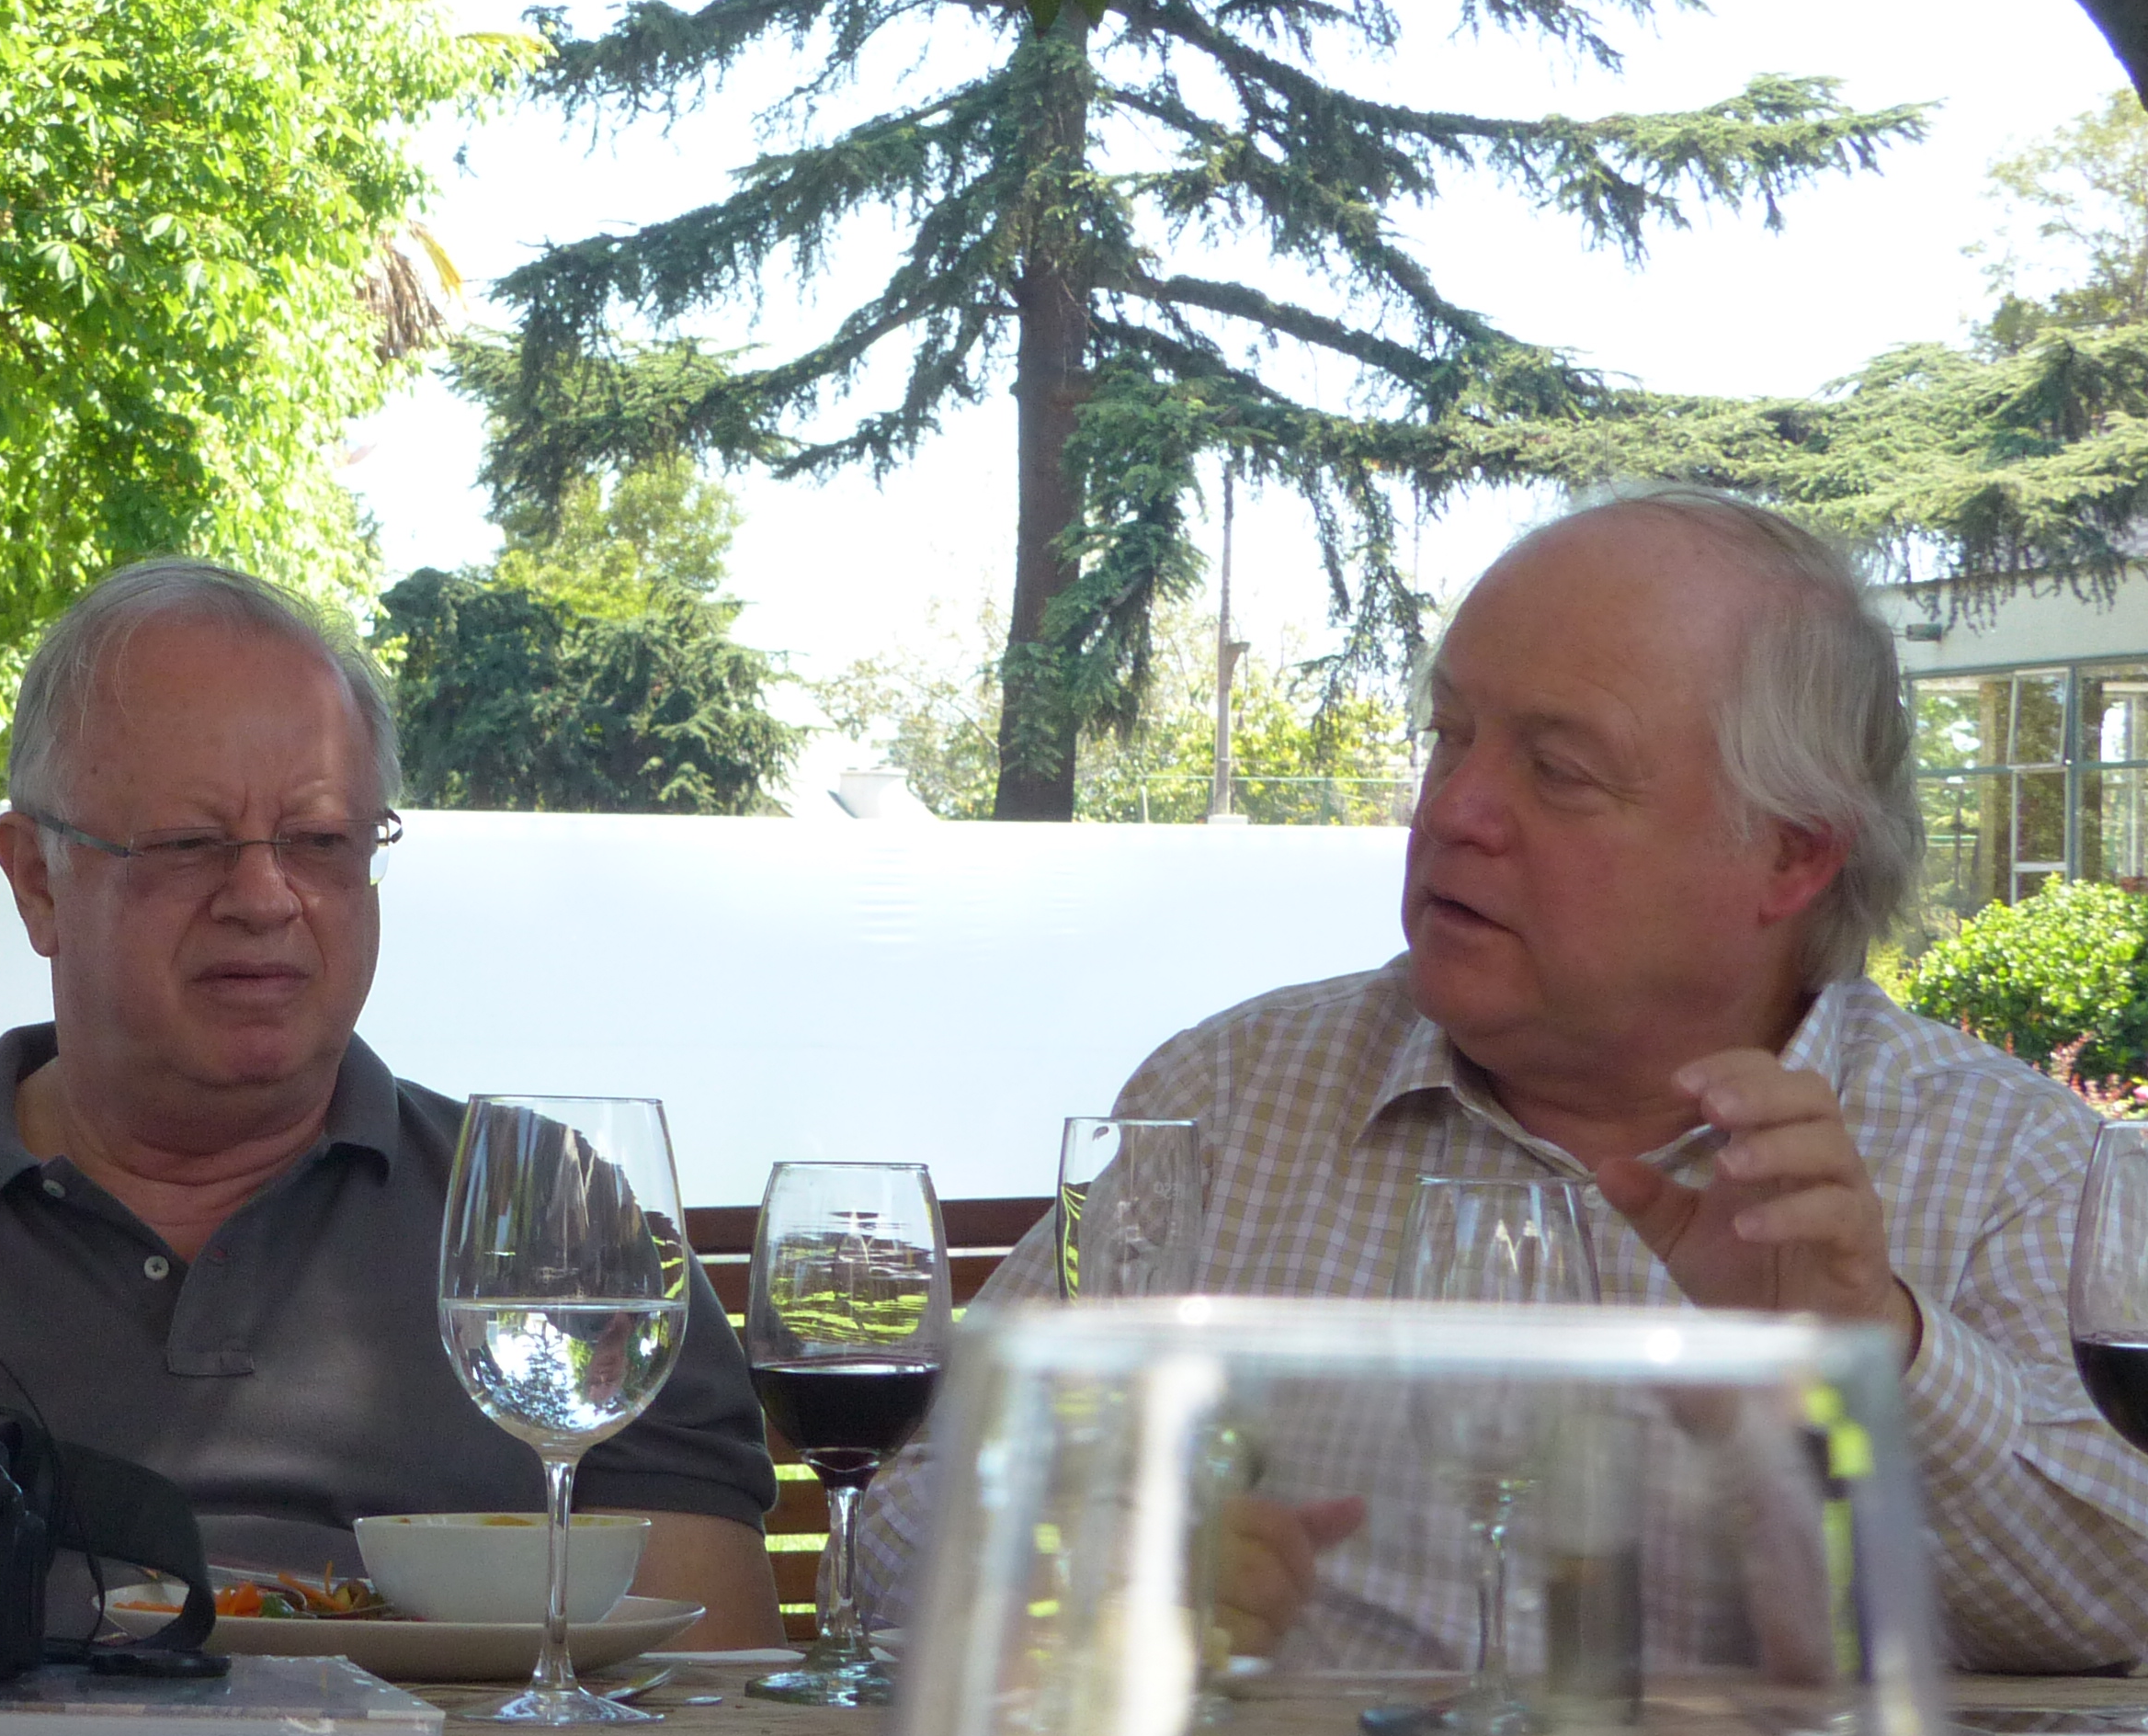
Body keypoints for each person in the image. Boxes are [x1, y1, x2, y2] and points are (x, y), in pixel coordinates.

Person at [862, 486, 2146, 1675]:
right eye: (1450, 737)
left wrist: (1874, 1354)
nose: (1452, 811)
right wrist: (1076, 1572)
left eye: (1558, 770)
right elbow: (899, 1527)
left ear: (1789, 856)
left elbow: (2118, 1605)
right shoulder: (1230, 1096)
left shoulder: (2010, 1165)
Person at [0, 560, 784, 1641]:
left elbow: (706, 1692)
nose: (264, 896)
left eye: (321, 841)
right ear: (37, 880)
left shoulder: (558, 1233)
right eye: (189, 844)